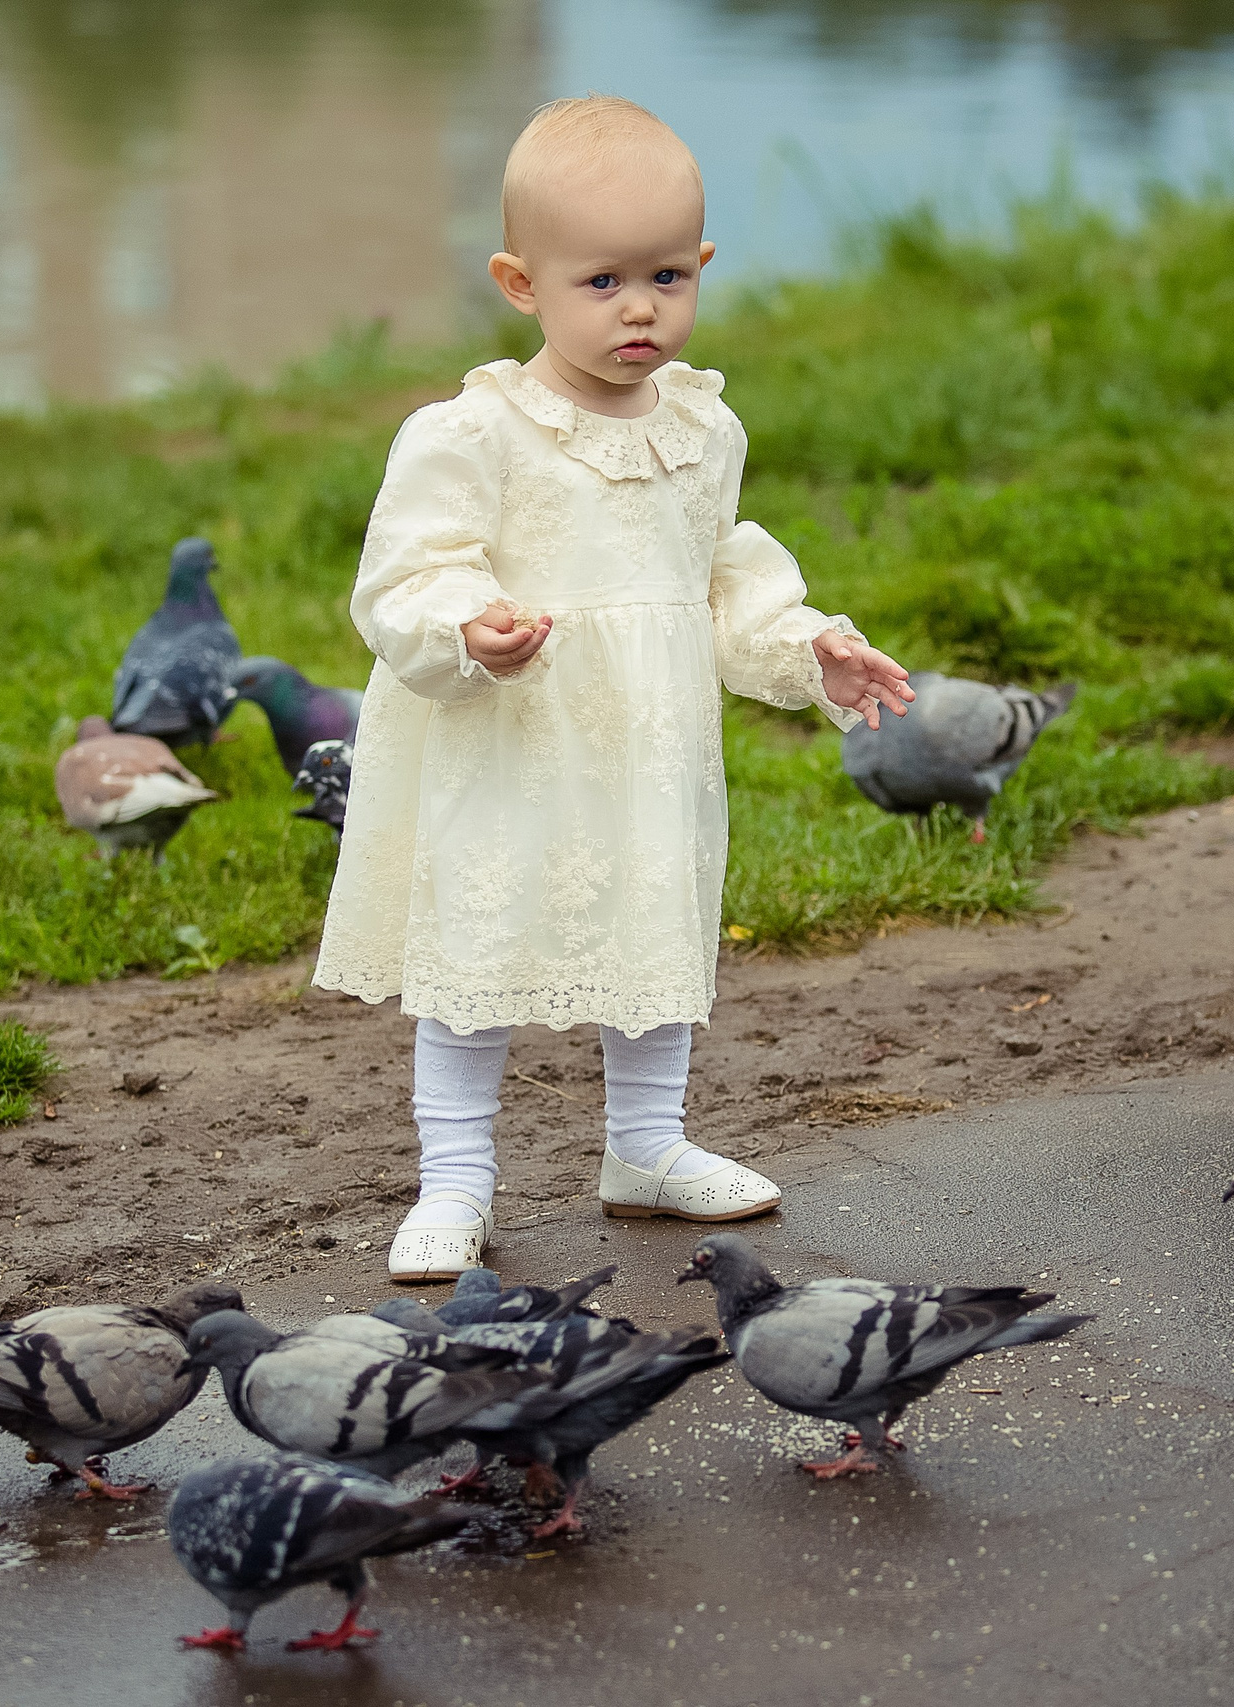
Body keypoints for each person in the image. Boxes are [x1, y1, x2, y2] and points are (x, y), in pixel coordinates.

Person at [312, 94, 913, 1281]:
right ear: (520, 282)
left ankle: (646, 1147)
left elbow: (719, 576)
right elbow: (404, 577)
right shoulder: (471, 434)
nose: (639, 309)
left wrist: (805, 649)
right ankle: (454, 1181)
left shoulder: (702, 427)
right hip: (509, 739)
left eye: (665, 278)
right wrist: (467, 629)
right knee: (475, 958)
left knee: (651, 940)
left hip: (645, 749)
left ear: (699, 268)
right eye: (600, 282)